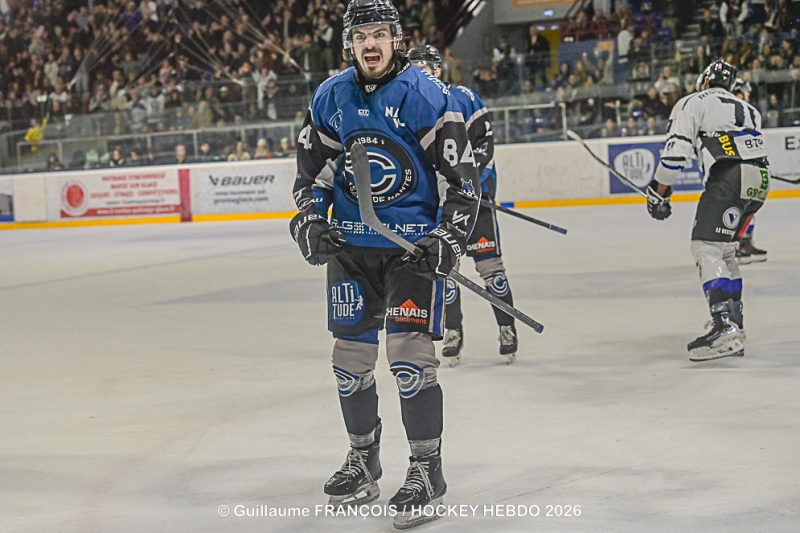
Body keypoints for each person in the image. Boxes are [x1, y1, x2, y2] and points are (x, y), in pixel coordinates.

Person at [288, 0, 480, 528]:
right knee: (349, 360)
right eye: (360, 36)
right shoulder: (331, 96)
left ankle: (426, 470)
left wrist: (447, 236)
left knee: (409, 356)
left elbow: (462, 183)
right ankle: (363, 459)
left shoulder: (427, 95)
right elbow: (312, 177)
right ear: (348, 44)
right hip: (351, 251)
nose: (369, 44)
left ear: (396, 39)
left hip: (410, 250)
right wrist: (311, 220)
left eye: (378, 34)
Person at [645, 60, 770, 362]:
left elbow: (675, 155)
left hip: (729, 178)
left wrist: (657, 192)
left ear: (704, 82)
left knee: (706, 246)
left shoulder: (693, 102)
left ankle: (723, 325)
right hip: (760, 180)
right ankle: (734, 325)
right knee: (726, 251)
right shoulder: (749, 109)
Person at [408, 45, 518, 366]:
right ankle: (453, 331)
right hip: (438, 207)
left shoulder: (464, 97)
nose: (419, 75)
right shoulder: (407, 107)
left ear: (437, 70)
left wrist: (468, 188)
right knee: (446, 271)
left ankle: (507, 327)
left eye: (424, 68)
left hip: (474, 201)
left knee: (490, 269)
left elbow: (484, 145)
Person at [731, 78, 767, 264]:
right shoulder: (729, 113)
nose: (748, 95)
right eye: (745, 92)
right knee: (733, 205)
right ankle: (731, 246)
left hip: (746, 165)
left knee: (749, 204)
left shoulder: (750, 113)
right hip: (730, 167)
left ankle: (744, 242)